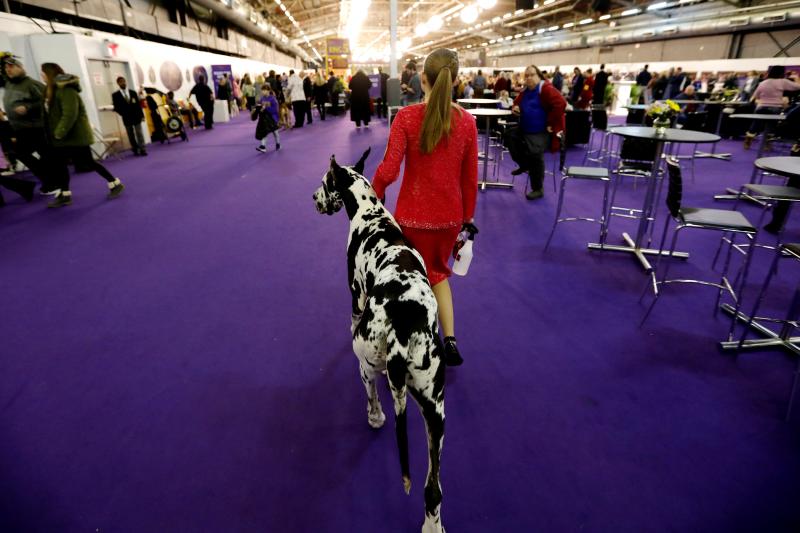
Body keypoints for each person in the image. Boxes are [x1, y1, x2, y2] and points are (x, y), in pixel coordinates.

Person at [372, 48, 478, 367]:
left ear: (423, 80)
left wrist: (374, 196)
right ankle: (450, 340)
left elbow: (389, 170)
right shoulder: (467, 123)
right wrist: (467, 218)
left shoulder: (406, 117)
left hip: (411, 219)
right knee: (438, 276)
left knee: (405, 279)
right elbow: (469, 179)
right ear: (456, 80)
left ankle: (401, 342)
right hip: (448, 220)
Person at [41, 63, 123, 208]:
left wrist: (59, 132)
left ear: (49, 74)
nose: (41, 76)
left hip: (75, 137)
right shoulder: (52, 91)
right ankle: (65, 194)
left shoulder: (66, 91)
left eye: (43, 73)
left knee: (88, 162)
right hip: (63, 138)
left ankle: (115, 183)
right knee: (61, 166)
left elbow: (70, 114)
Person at [1, 53, 58, 194]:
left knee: (37, 154)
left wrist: (27, 108)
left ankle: (52, 183)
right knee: (31, 155)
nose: (8, 69)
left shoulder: (32, 84)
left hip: (35, 128)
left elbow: (44, 102)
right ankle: (51, 182)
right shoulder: (9, 83)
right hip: (19, 128)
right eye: (6, 67)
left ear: (20, 68)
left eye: (11, 66)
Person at [512, 64, 567, 200]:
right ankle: (524, 164)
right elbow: (515, 103)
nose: (529, 78)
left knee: (535, 153)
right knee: (509, 137)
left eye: (532, 75)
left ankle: (538, 188)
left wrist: (550, 123)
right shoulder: (525, 91)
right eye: (527, 76)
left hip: (542, 131)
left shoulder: (546, 89)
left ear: (538, 76)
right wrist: (515, 108)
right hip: (525, 129)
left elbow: (561, 103)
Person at [743, 65, 800, 149]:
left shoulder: (763, 82)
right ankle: (767, 144)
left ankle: (748, 140)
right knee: (771, 126)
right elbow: (798, 87)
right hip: (775, 108)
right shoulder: (782, 81)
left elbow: (756, 95)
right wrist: (796, 78)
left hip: (761, 107)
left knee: (756, 124)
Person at [111, 76, 147, 156]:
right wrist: (122, 113)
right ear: (118, 83)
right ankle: (135, 149)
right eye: (120, 82)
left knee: (139, 133)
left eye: (124, 81)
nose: (123, 83)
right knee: (130, 134)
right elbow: (116, 107)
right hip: (126, 117)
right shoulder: (115, 95)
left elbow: (138, 105)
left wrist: (141, 115)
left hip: (136, 116)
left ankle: (142, 149)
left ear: (125, 81)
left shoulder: (133, 92)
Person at [254, 86, 280, 153]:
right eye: (262, 90)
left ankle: (278, 144)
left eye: (265, 90)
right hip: (265, 119)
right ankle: (263, 146)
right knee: (264, 132)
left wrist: (266, 108)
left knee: (275, 133)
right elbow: (259, 107)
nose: (263, 92)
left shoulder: (273, 99)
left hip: (273, 118)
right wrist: (258, 109)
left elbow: (275, 110)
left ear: (268, 90)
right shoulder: (262, 99)